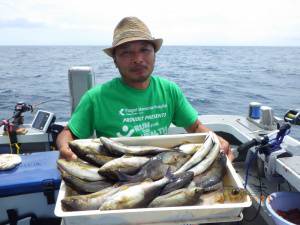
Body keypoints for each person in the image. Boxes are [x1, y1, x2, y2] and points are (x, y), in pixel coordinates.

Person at [57, 16, 234, 161]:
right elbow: (69, 133)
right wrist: (64, 147)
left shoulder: (169, 90)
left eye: (145, 50)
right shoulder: (95, 97)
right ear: (115, 60)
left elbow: (195, 127)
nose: (137, 59)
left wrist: (215, 139)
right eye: (126, 52)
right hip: (116, 170)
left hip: (161, 165)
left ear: (154, 55)